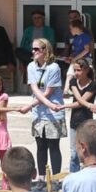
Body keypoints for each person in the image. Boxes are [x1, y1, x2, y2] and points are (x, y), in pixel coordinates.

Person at [21, 37, 66, 179]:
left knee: (54, 147)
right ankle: (41, 178)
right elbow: (35, 89)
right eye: (32, 49)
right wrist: (35, 105)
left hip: (53, 114)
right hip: (39, 113)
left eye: (36, 49)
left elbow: (48, 92)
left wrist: (31, 105)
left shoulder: (54, 67)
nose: (33, 51)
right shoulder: (31, 66)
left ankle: (56, 178)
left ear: (45, 50)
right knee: (40, 147)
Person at [65, 61, 96, 174]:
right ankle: (73, 176)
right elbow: (79, 99)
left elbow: (80, 102)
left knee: (87, 152)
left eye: (79, 70)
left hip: (86, 123)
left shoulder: (92, 85)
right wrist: (89, 105)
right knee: (74, 153)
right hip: (74, 122)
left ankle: (87, 175)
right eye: (74, 70)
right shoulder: (73, 82)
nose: (76, 73)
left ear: (86, 70)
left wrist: (63, 106)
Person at [17, 10, 56, 80]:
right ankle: (34, 64)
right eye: (35, 18)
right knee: (18, 50)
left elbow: (51, 45)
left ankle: (33, 66)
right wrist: (21, 62)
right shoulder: (28, 30)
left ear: (43, 19)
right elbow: (22, 46)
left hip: (42, 54)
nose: (37, 20)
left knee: (30, 62)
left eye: (39, 18)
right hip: (29, 54)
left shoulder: (49, 31)